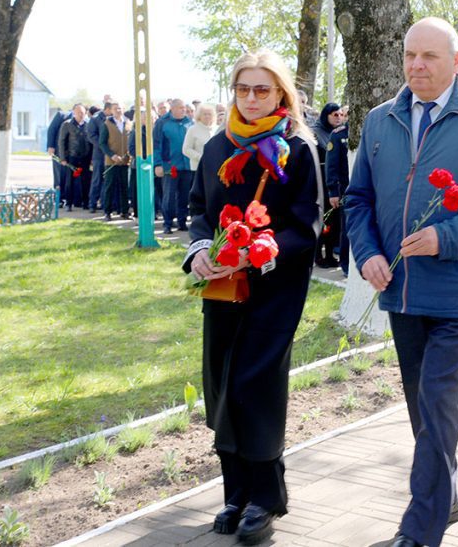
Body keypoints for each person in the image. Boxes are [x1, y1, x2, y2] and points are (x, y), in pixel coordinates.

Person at [345, 17, 458, 547]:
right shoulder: (380, 121)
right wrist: (368, 254)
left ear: (456, 60)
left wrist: (445, 238)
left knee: (437, 395)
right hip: (400, 289)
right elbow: (357, 200)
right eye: (409, 56)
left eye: (429, 56)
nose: (417, 66)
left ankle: (420, 528)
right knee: (421, 402)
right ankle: (444, 496)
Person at [184, 49, 321, 544]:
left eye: (262, 89)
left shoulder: (298, 149)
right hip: (222, 286)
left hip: (274, 289)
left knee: (256, 385)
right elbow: (199, 208)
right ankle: (235, 492)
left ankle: (266, 498)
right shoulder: (220, 145)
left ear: (281, 93)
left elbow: (307, 226)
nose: (251, 98)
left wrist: (257, 254)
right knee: (222, 385)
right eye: (243, 88)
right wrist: (201, 251)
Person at [154, 99, 194, 234]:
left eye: (184, 108)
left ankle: (182, 222)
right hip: (170, 166)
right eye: (180, 108)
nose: (183, 110)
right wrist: (158, 164)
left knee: (184, 195)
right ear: (173, 109)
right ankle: (168, 223)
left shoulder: (189, 122)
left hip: (186, 165)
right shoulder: (162, 123)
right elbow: (157, 145)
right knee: (169, 196)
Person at [312, 102, 344, 267]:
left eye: (340, 115)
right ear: (326, 115)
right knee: (323, 220)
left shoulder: (339, 134)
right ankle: (318, 255)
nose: (338, 118)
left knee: (333, 221)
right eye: (334, 115)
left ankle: (331, 254)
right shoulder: (316, 134)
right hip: (319, 185)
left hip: (334, 184)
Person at [325, 116, 350, 275]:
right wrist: (333, 191)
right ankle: (346, 263)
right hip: (345, 188)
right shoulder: (338, 134)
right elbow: (331, 165)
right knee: (347, 227)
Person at [99, 102, 132, 220]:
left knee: (124, 187)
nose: (118, 110)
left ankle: (124, 211)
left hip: (125, 161)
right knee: (109, 186)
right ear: (111, 110)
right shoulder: (107, 124)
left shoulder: (129, 123)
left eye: (120, 108)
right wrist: (112, 155)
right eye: (115, 108)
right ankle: (107, 212)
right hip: (111, 161)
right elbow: (102, 143)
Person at [57, 104, 92, 210]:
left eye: (82, 112)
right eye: (78, 112)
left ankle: (86, 202)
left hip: (85, 157)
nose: (81, 115)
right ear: (74, 112)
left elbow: (91, 141)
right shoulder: (67, 124)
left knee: (86, 181)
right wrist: (63, 158)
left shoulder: (88, 124)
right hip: (72, 157)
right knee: (70, 181)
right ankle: (69, 203)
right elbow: (61, 141)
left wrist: (91, 158)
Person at [86, 101, 113, 212]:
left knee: (108, 180)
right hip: (99, 155)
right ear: (108, 109)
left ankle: (105, 203)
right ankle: (92, 204)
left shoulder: (113, 119)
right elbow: (91, 136)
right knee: (97, 180)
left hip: (111, 154)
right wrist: (104, 147)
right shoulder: (95, 119)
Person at [46, 107, 71, 200]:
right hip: (58, 150)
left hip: (71, 152)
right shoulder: (62, 115)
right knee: (59, 175)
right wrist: (50, 146)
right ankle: (58, 198)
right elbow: (52, 129)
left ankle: (67, 197)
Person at [183, 104, 217, 171]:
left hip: (215, 167)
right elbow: (186, 149)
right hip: (198, 168)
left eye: (209, 114)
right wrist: (201, 157)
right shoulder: (192, 129)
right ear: (199, 116)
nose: (207, 116)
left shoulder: (216, 129)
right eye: (204, 114)